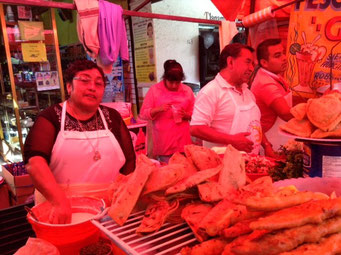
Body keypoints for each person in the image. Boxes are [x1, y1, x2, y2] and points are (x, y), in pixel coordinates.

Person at [24, 60, 136, 224]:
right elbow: (35, 162)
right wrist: (58, 201)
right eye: (84, 81)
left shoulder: (113, 117)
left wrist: (125, 195)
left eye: (99, 83)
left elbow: (130, 160)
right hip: (64, 211)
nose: (92, 87)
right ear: (69, 87)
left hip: (110, 211)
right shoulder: (50, 117)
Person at [190, 43, 261, 154]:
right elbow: (196, 128)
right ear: (230, 62)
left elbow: (255, 123)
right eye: (248, 62)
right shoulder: (211, 91)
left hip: (251, 163)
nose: (252, 68)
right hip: (223, 164)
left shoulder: (247, 92)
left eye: (253, 64)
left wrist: (266, 145)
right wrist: (231, 140)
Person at [139, 59, 195, 163]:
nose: (174, 85)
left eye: (177, 82)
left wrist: (186, 115)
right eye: (171, 82)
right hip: (164, 142)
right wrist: (158, 109)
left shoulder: (187, 91)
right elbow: (142, 114)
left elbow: (196, 114)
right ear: (165, 78)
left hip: (183, 142)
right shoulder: (155, 91)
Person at [251, 38, 293, 157]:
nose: (284, 58)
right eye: (277, 55)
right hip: (271, 141)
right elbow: (285, 114)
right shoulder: (266, 83)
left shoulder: (275, 76)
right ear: (264, 63)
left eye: (283, 53)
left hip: (280, 137)